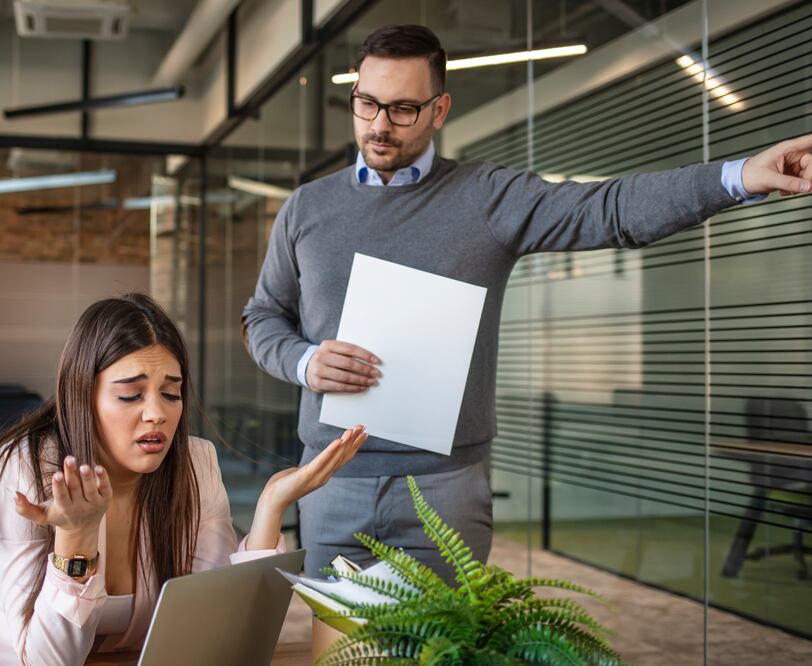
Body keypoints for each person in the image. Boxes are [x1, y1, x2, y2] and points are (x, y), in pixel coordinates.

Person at [241, 24, 812, 579]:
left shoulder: (488, 197)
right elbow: (262, 317)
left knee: (446, 650)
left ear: (440, 110)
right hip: (329, 482)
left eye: (403, 109)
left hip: (445, 489)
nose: (380, 125)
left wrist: (738, 177)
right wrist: (303, 361)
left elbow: (610, 209)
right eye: (367, 103)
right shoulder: (307, 208)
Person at [0, 293, 366, 665]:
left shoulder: (194, 463)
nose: (157, 414)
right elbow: (49, 661)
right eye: (130, 395)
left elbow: (220, 632)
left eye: (171, 393)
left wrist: (269, 509)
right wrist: (76, 537)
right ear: (82, 396)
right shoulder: (26, 468)